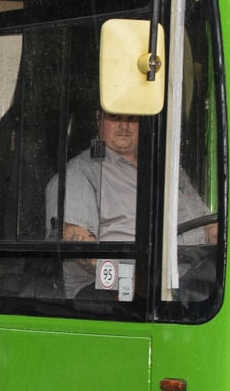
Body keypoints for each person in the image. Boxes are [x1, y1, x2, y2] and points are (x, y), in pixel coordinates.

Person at [45, 110, 214, 296]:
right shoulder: (80, 173)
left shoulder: (166, 170)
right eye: (116, 117)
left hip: (191, 279)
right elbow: (78, 247)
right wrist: (133, 284)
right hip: (117, 294)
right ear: (98, 119)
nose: (124, 126)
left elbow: (208, 225)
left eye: (132, 118)